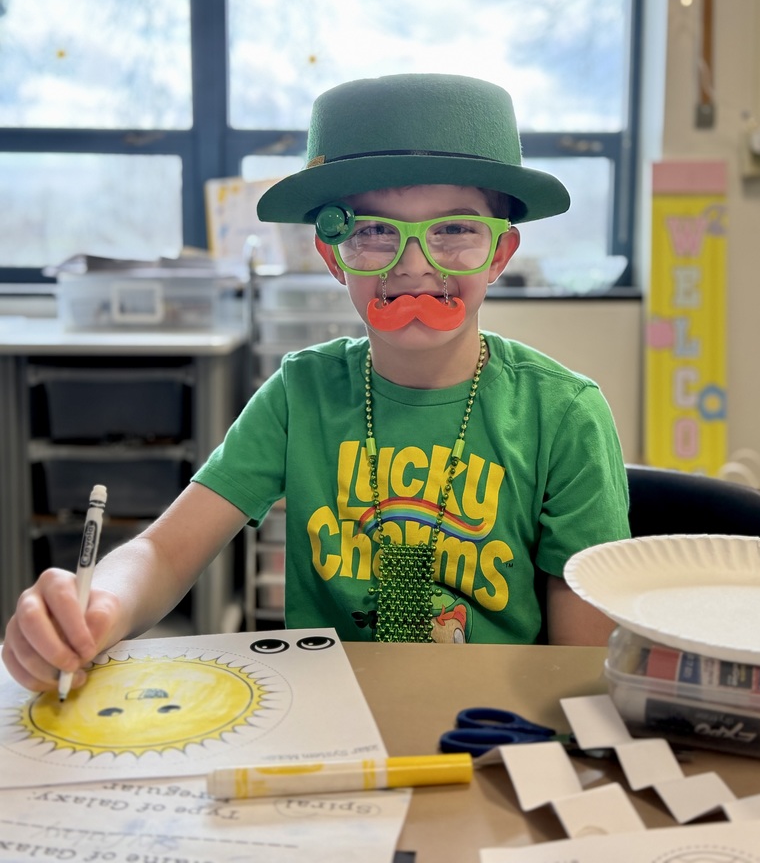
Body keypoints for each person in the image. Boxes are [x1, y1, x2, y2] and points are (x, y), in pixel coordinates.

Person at [3, 72, 629, 692]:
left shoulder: (564, 414)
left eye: (456, 231)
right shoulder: (300, 395)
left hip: (487, 729)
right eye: (374, 232)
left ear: (499, 253)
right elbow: (165, 553)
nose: (414, 267)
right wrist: (96, 608)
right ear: (332, 257)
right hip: (328, 724)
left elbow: (579, 671)